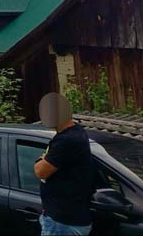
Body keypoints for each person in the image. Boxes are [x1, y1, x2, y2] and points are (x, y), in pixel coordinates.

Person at [34, 92, 94, 236]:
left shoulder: (67, 140)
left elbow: (40, 171)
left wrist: (41, 160)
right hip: (65, 218)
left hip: (62, 222)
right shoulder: (76, 131)